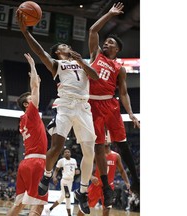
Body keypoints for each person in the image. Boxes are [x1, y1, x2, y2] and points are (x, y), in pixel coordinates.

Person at [16, 10, 99, 215]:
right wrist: (26, 33)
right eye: (63, 46)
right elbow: (39, 52)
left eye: (68, 46)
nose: (67, 47)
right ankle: (46, 175)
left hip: (84, 107)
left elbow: (95, 77)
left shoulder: (82, 62)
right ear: (57, 52)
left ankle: (82, 192)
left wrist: (81, 61)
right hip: (65, 105)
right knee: (57, 146)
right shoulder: (57, 64)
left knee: (90, 152)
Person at [88, 2, 140, 198]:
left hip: (110, 104)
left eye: (111, 42)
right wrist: (110, 14)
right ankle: (105, 186)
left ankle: (136, 180)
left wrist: (131, 114)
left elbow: (124, 93)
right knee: (99, 147)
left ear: (117, 49)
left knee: (122, 142)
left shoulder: (120, 68)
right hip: (92, 104)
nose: (106, 43)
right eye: (106, 41)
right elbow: (93, 30)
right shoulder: (95, 55)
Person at [6, 53, 48, 216]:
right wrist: (33, 65)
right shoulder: (30, 113)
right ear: (26, 104)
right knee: (37, 207)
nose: (35, 100)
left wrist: (36, 81)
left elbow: (37, 86)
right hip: (37, 163)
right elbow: (35, 87)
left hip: (26, 164)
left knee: (18, 206)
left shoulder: (24, 119)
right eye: (32, 99)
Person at [77, 133, 131, 216]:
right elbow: (86, 167)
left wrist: (127, 183)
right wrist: (91, 177)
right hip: (96, 185)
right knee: (84, 207)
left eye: (107, 138)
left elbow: (122, 171)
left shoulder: (116, 156)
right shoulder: (96, 155)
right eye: (104, 137)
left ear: (111, 141)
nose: (105, 139)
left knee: (106, 209)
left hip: (109, 186)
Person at [45, 148, 80, 216]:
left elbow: (76, 169)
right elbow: (56, 170)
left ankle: (49, 209)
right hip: (64, 181)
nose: (67, 153)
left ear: (70, 153)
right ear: (63, 154)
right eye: (65, 152)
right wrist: (54, 177)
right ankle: (69, 214)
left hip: (71, 181)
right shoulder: (61, 161)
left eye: (68, 152)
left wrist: (77, 171)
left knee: (62, 198)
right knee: (68, 197)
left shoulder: (74, 160)